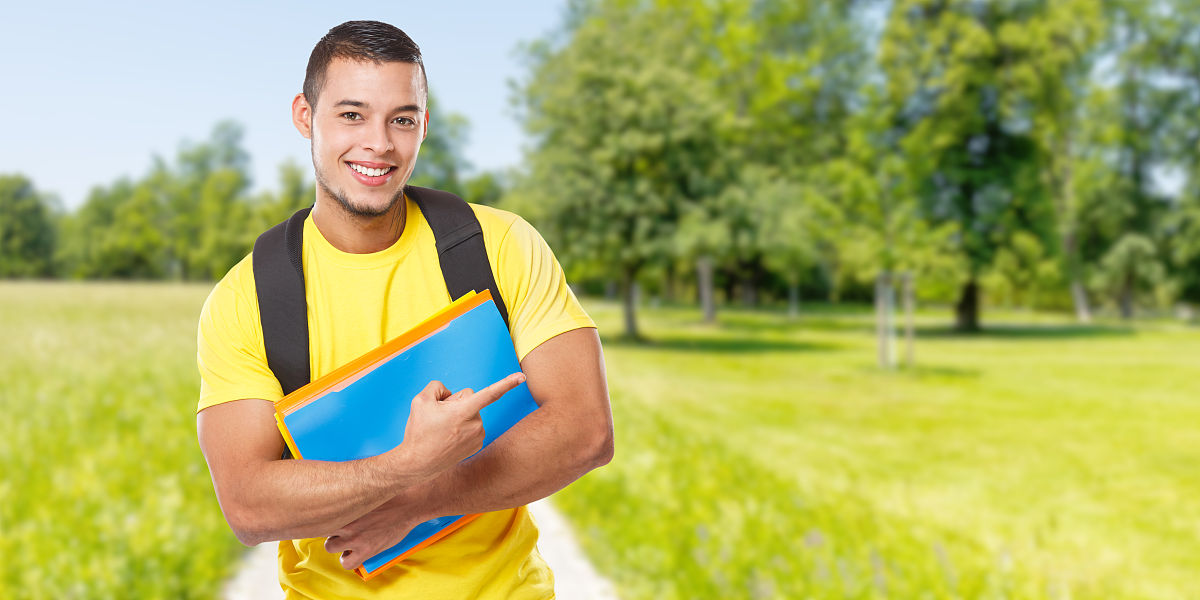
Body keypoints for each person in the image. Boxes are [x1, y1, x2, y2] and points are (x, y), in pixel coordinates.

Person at [195, 20, 614, 599]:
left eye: (402, 119)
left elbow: (586, 429)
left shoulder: (498, 245)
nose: (379, 144)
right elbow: (248, 504)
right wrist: (406, 464)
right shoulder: (250, 299)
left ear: (423, 126)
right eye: (351, 115)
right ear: (304, 115)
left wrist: (424, 499)